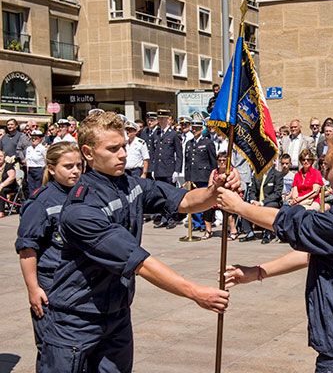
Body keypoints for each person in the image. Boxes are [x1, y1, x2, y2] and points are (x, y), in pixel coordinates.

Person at [39, 112, 236, 372]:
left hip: (117, 315)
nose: (122, 154)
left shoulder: (130, 185)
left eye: (123, 146)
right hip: (75, 321)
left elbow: (184, 201)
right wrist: (195, 292)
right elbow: (138, 262)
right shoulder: (80, 208)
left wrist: (214, 191)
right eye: (112, 149)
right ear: (88, 153)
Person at [218, 132, 333, 373]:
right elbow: (316, 252)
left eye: (329, 165)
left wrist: (239, 206)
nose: (326, 173)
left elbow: (289, 221)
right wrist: (258, 272)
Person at [15, 142, 82, 369]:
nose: (75, 171)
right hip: (51, 284)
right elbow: (27, 250)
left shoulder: (83, 194)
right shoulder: (40, 202)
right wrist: (33, 289)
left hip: (77, 283)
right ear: (52, 169)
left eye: (79, 165)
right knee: (51, 350)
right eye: (68, 166)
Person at [149, 109, 183, 229]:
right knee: (160, 196)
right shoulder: (156, 134)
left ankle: (171, 218)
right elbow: (152, 153)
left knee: (170, 196)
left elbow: (179, 154)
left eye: (163, 119)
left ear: (168, 119)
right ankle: (163, 218)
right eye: (159, 119)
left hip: (169, 169)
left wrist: (177, 171)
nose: (161, 121)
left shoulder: (173, 134)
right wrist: (152, 168)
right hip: (158, 170)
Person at [184, 120, 217, 231]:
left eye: (197, 128)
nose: (194, 130)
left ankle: (204, 223)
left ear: (201, 129)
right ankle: (196, 223)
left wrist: (213, 176)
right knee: (194, 201)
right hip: (192, 176)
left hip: (204, 175)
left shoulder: (208, 142)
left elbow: (213, 162)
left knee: (203, 201)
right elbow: (187, 162)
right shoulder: (189, 143)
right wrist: (187, 178)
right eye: (193, 128)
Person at [202, 152, 240, 240]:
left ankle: (233, 231)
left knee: (227, 209)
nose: (222, 162)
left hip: (228, 195)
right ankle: (208, 230)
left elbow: (236, 185)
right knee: (207, 208)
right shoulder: (214, 172)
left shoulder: (232, 171)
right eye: (219, 160)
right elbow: (209, 186)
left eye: (224, 160)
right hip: (215, 196)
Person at [247, 165, 283, 243]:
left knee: (268, 207)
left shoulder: (277, 174)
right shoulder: (257, 175)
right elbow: (252, 191)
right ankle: (249, 233)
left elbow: (277, 194)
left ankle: (267, 234)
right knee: (245, 206)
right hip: (257, 202)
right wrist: (253, 201)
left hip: (272, 202)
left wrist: (262, 202)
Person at [25, 130, 47, 195]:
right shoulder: (29, 149)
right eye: (32, 138)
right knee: (31, 188)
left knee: (38, 188)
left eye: (36, 138)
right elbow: (27, 161)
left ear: (40, 139)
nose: (34, 140)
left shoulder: (42, 148)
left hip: (39, 169)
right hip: (30, 170)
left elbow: (46, 160)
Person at [0, 150, 17, 217]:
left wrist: (2, 185)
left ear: (4, 157)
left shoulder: (8, 166)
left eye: (1, 156)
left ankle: (1, 211)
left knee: (2, 190)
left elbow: (11, 178)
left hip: (10, 187)